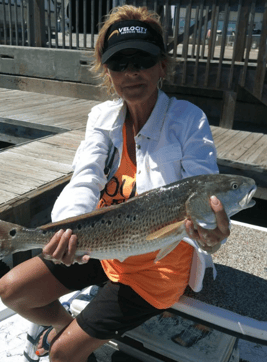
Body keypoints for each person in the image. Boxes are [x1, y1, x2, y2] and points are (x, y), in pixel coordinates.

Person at [0, 5, 230, 362]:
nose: (132, 72)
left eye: (143, 59)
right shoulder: (102, 117)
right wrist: (65, 233)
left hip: (158, 265)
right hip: (104, 244)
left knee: (61, 356)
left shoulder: (187, 120)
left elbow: (203, 188)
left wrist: (211, 234)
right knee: (12, 289)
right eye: (119, 63)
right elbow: (85, 177)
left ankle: (67, 340)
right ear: (106, 71)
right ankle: (64, 323)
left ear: (162, 65)